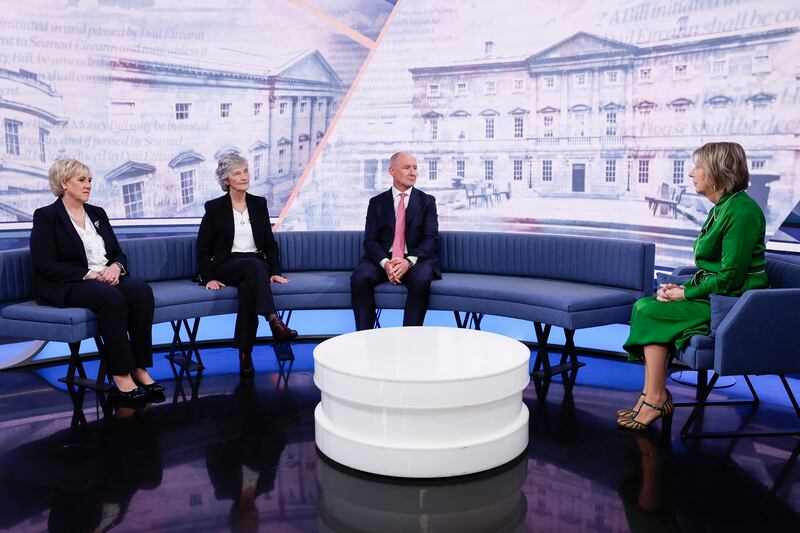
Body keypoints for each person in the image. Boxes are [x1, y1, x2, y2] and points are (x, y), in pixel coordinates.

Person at [619, 142, 768, 430]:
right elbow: (712, 269)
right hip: (718, 296)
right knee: (644, 305)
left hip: (736, 304)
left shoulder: (742, 211)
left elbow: (731, 278)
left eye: (698, 167)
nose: (691, 173)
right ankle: (651, 395)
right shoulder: (722, 207)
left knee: (649, 311)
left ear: (717, 170)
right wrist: (679, 288)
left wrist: (685, 293)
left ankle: (656, 399)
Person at [30, 159, 159, 400]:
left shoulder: (97, 213)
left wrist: (116, 267)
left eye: (89, 180)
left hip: (104, 276)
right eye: (81, 180)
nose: (88, 185)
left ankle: (139, 367)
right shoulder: (46, 216)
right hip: (69, 283)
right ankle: (121, 373)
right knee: (111, 298)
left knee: (141, 291)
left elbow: (117, 252)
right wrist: (92, 274)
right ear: (63, 183)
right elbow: (44, 265)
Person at [196, 154, 297, 376]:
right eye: (237, 173)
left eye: (245, 171)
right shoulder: (214, 208)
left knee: (247, 287)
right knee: (253, 268)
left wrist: (276, 272)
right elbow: (202, 248)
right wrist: (209, 278)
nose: (244, 177)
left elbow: (269, 244)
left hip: (255, 265)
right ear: (226, 180)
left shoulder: (259, 204)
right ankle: (273, 320)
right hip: (227, 265)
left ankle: (245, 355)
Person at [350, 152, 441, 330]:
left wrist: (408, 262)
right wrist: (386, 263)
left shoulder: (427, 201)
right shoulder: (376, 202)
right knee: (359, 278)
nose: (413, 172)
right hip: (384, 259)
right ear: (392, 171)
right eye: (407, 168)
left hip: (416, 259)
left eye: (415, 168)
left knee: (421, 279)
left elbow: (430, 239)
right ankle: (364, 336)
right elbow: (370, 241)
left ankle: (409, 338)